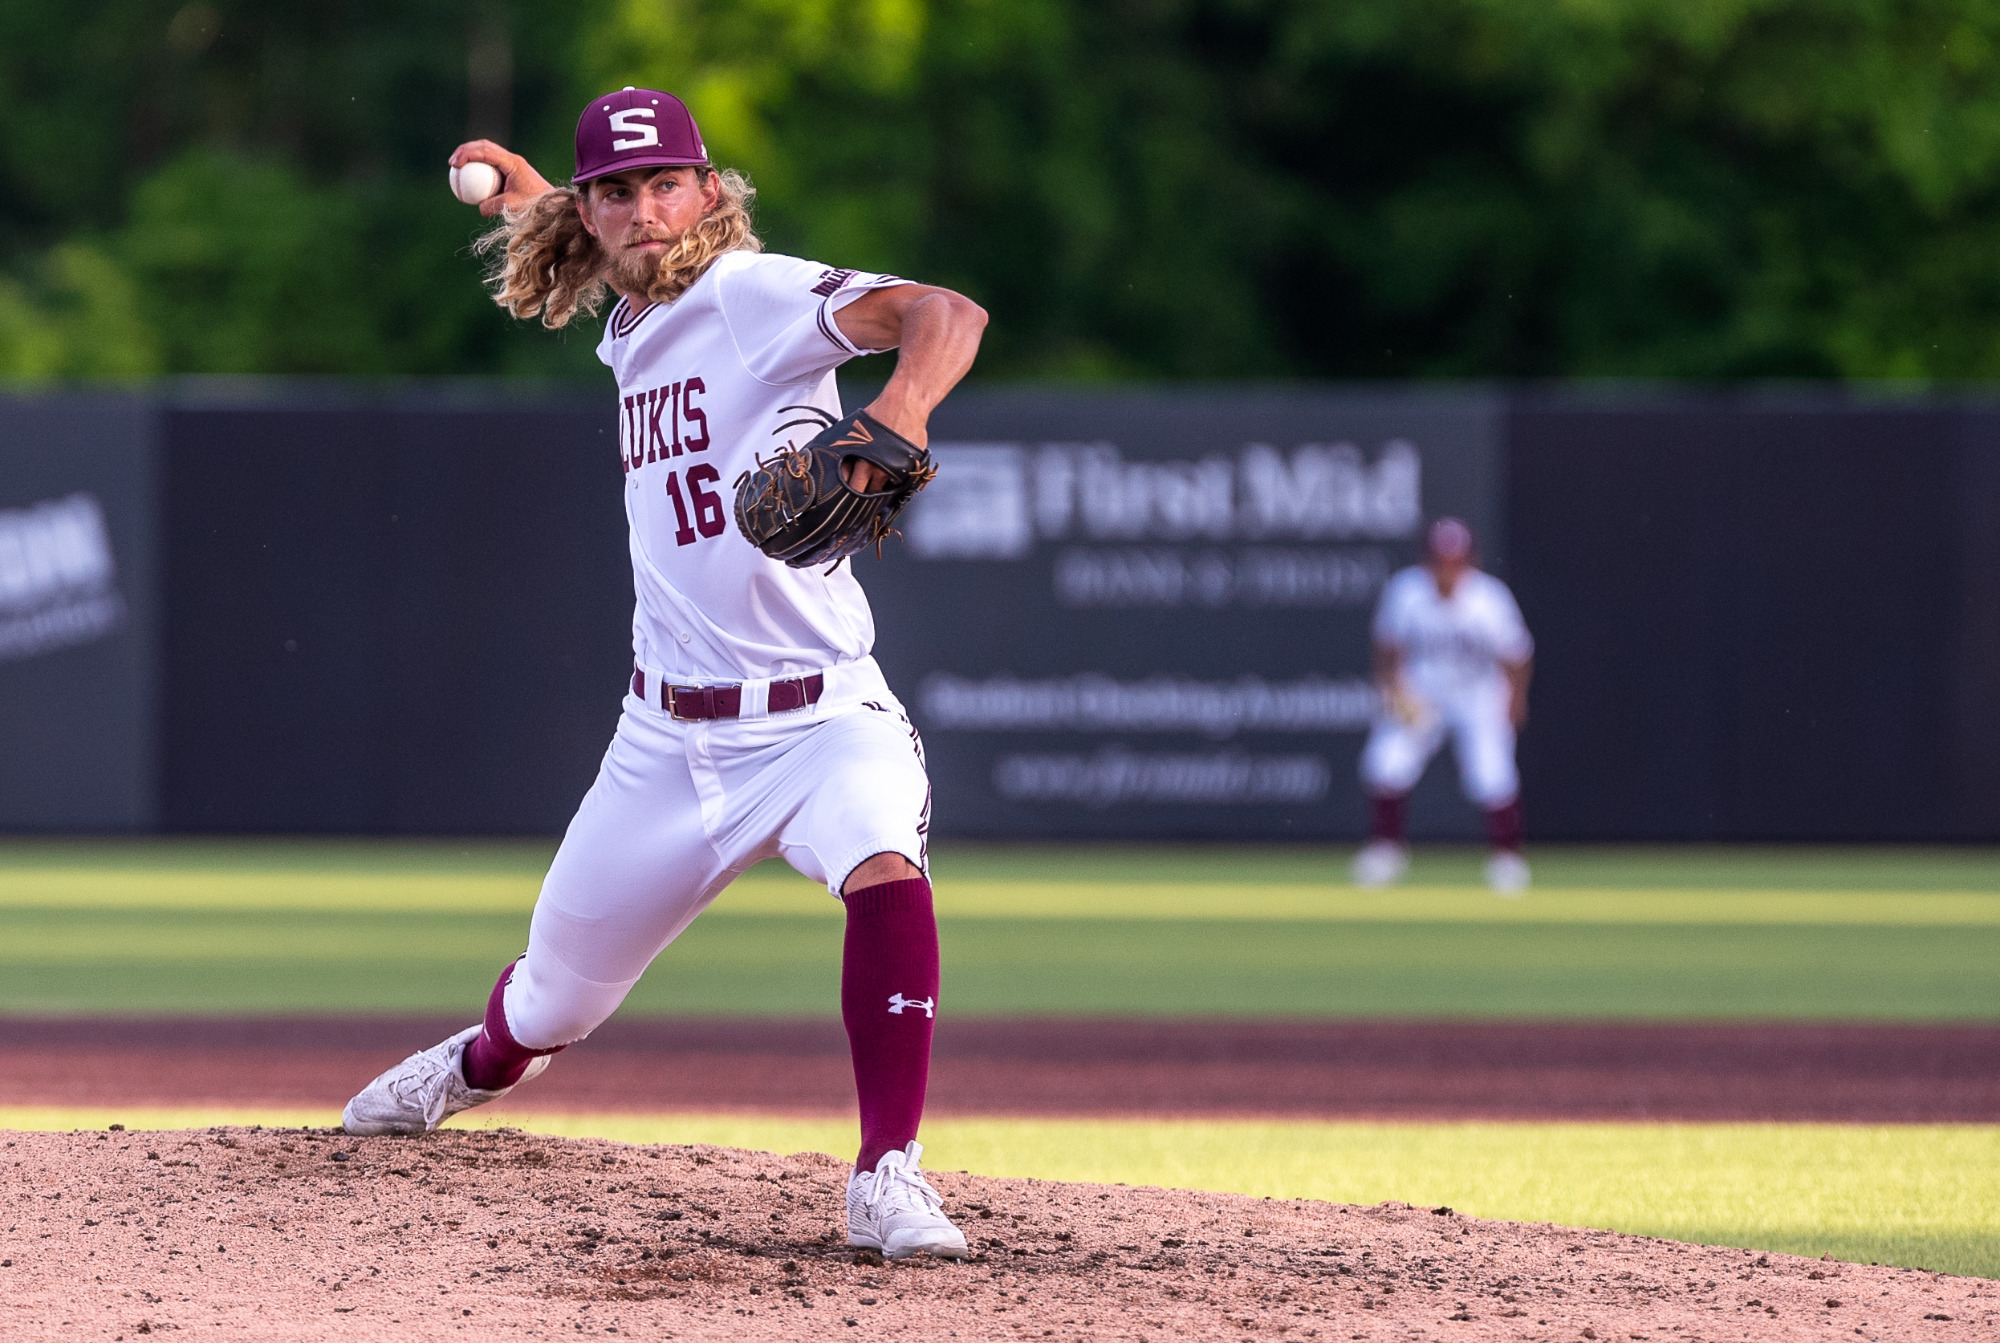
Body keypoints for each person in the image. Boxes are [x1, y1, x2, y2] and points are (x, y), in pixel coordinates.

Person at [339, 86, 988, 1262]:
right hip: (664, 741)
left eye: (664, 184)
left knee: (883, 857)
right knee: (550, 1007)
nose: (645, 209)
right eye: (617, 192)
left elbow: (948, 311)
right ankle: (476, 1063)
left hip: (821, 718)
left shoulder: (752, 293)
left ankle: (886, 1169)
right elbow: (611, 250)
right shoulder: (639, 310)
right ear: (592, 211)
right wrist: (538, 194)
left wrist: (895, 415)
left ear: (708, 191)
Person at [1352, 517, 1534, 894]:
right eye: (1439, 560)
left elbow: (1517, 657)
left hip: (1478, 694)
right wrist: (1392, 691)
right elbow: (1387, 648)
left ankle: (1507, 860)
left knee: (1491, 773)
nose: (1447, 569)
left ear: (1470, 561)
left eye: (1455, 560)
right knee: (1386, 761)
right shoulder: (1407, 592)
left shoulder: (1488, 598)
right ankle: (1386, 852)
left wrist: (1515, 700)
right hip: (1424, 692)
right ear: (1426, 560)